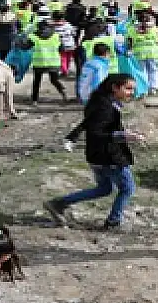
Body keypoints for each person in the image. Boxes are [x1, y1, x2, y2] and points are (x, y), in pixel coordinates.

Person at [46, 75, 145, 231]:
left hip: (96, 156)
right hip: (109, 157)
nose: (131, 92)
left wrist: (123, 132)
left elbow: (94, 126)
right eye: (128, 88)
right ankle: (113, 222)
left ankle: (58, 203)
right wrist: (124, 135)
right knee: (127, 188)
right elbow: (96, 133)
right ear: (115, 87)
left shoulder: (101, 101)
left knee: (104, 189)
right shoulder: (105, 106)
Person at [23, 20, 69, 105]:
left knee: (37, 82)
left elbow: (25, 47)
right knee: (54, 80)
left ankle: (34, 100)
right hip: (53, 62)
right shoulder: (56, 36)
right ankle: (63, 92)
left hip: (39, 63)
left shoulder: (33, 36)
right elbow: (62, 49)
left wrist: (22, 41)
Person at [127, 15, 158, 95]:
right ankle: (153, 88)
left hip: (139, 53)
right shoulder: (154, 28)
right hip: (153, 53)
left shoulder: (132, 29)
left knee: (142, 71)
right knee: (153, 70)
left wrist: (129, 50)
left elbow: (129, 41)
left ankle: (144, 89)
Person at [53, 11, 77, 77]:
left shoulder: (53, 26)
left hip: (62, 45)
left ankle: (65, 72)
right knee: (68, 58)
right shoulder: (68, 24)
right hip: (71, 44)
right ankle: (66, 69)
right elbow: (74, 33)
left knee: (62, 59)